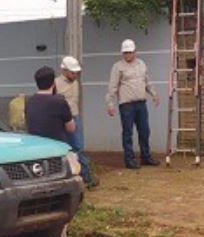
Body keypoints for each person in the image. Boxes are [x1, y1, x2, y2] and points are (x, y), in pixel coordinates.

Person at [24, 66, 76, 237]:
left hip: (34, 156)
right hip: (56, 155)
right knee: (61, 195)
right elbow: (71, 128)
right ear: (53, 82)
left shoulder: (29, 102)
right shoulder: (59, 102)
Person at [106, 39, 160, 169]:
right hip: (126, 105)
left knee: (145, 131)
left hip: (141, 104)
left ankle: (145, 157)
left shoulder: (141, 64)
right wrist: (110, 103)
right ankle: (129, 159)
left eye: (130, 52)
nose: (128, 55)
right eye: (125, 53)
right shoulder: (118, 67)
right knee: (128, 132)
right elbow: (112, 87)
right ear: (122, 53)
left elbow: (146, 81)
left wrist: (154, 94)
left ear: (135, 52)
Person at [55, 56, 96, 188]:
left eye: (77, 73)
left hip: (74, 117)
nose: (75, 75)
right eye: (73, 73)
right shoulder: (55, 84)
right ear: (64, 70)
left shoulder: (76, 82)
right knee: (64, 148)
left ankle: (86, 176)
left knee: (78, 147)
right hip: (61, 119)